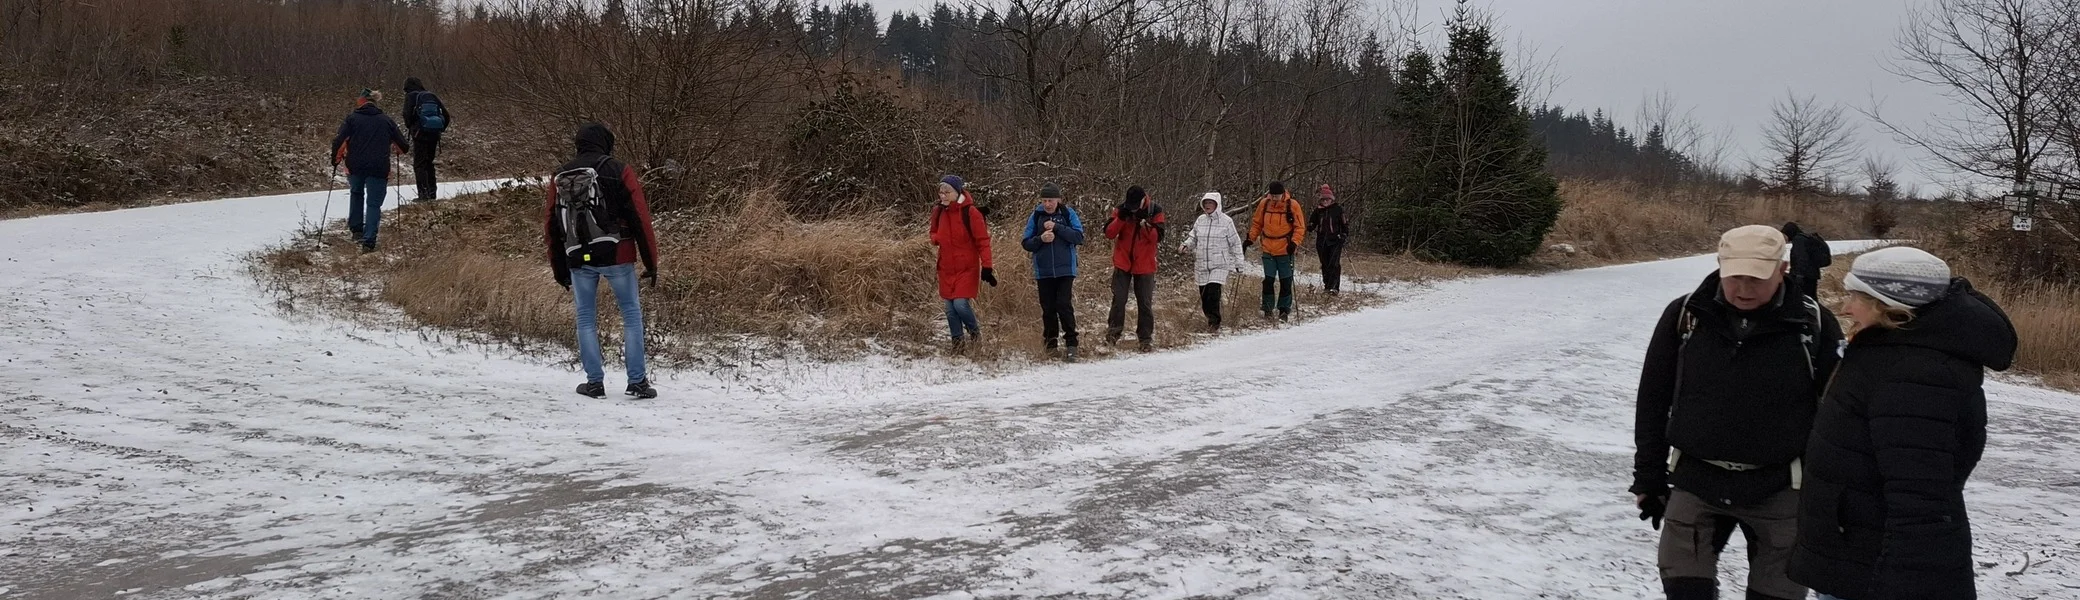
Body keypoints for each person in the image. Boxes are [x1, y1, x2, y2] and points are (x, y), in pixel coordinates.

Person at [1789, 247, 2015, 600]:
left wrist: (1897, 585)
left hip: (1877, 575)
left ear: (1888, 304)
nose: (1846, 308)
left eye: (1856, 297)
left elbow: (1921, 496)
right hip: (1858, 557)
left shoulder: (1914, 375)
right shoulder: (1889, 353)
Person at [1631, 225, 1844, 600]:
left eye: (1756, 279)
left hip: (1781, 488)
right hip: (1696, 482)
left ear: (1782, 269)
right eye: (1736, 278)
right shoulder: (1686, 315)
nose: (1744, 289)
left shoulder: (1814, 324)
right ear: (1720, 266)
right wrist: (1649, 476)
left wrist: (1829, 495)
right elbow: (1653, 398)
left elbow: (1837, 416)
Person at [543, 123, 660, 399]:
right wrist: (651, 262)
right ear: (606, 142)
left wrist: (559, 267)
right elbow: (640, 218)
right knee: (630, 315)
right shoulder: (619, 170)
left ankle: (594, 384)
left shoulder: (560, 175)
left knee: (585, 318)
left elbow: (550, 225)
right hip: (618, 254)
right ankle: (638, 382)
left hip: (578, 259)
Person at [328, 89, 410, 252]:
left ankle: (357, 230)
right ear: (375, 102)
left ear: (362, 102)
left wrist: (336, 159)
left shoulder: (351, 119)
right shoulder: (386, 120)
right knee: (373, 204)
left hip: (355, 166)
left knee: (356, 193)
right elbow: (403, 147)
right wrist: (396, 148)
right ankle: (369, 241)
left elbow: (339, 141)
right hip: (379, 167)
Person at [930, 175, 996, 350]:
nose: (942, 195)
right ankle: (957, 344)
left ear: (957, 192)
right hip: (946, 267)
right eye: (941, 192)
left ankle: (975, 333)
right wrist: (937, 238)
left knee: (960, 303)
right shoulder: (938, 211)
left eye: (947, 192)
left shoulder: (971, 212)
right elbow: (933, 232)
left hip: (967, 267)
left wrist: (987, 266)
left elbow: (983, 241)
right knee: (950, 308)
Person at [1021, 182, 1084, 361]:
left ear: (1058, 200)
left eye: (1051, 200)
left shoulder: (1067, 213)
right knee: (1048, 308)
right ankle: (1050, 344)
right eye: (1045, 200)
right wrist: (1040, 238)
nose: (1047, 204)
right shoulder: (1036, 216)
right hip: (1044, 270)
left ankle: (1072, 344)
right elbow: (1026, 243)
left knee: (1064, 305)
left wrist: (1057, 228)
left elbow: (1078, 237)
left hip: (1066, 270)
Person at [1104, 186, 1165, 351]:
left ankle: (1145, 339)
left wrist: (1145, 224)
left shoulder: (1155, 210)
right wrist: (1121, 219)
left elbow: (1157, 238)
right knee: (1119, 299)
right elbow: (1109, 233)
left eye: (1135, 205)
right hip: (1123, 262)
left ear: (1143, 200)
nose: (1132, 208)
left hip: (1145, 264)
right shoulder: (1121, 209)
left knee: (1144, 302)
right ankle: (1112, 336)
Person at [1179, 191, 1246, 332]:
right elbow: (1193, 238)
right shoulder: (1200, 220)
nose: (1208, 205)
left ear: (1217, 205)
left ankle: (1214, 323)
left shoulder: (1226, 221)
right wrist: (1186, 245)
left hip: (1219, 264)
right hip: (1202, 263)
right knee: (1204, 296)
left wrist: (1239, 263)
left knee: (1213, 292)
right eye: (1206, 203)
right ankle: (1209, 317)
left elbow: (1235, 243)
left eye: (1211, 203)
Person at [1245, 181, 1307, 322]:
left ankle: (1284, 310)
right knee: (1268, 280)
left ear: (1282, 194)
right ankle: (1267, 309)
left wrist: (1294, 242)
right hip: (1268, 248)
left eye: (1276, 196)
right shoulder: (1264, 204)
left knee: (1286, 281)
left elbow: (1299, 227)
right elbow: (1257, 223)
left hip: (1285, 249)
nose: (1274, 198)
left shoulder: (1292, 205)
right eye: (1272, 195)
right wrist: (1250, 238)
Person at [401, 77, 451, 202]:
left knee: (420, 164)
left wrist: (412, 127)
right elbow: (446, 115)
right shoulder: (431, 95)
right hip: (434, 134)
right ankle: (432, 194)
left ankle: (423, 195)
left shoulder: (410, 96)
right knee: (429, 162)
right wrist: (440, 129)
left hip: (419, 134)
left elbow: (407, 116)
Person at [1308, 184, 1350, 294]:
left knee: (1334, 263)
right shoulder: (1318, 211)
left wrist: (1344, 234)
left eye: (1327, 199)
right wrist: (1310, 226)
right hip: (1321, 241)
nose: (1325, 201)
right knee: (1325, 263)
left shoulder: (1338, 209)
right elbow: (1312, 222)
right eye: (1323, 199)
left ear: (1331, 199)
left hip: (1335, 240)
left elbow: (1344, 223)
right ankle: (1327, 285)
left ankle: (1334, 287)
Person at [1781, 222, 1832, 300]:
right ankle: (1816, 311)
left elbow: (1801, 258)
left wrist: (1799, 276)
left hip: (1804, 277)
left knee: (1803, 299)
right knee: (1811, 298)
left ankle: (1809, 311)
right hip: (1812, 275)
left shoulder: (1799, 240)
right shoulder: (1806, 238)